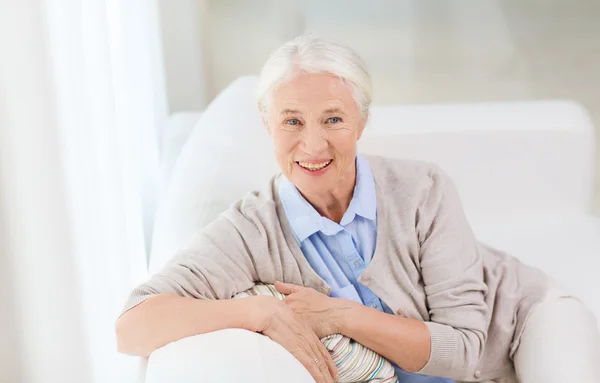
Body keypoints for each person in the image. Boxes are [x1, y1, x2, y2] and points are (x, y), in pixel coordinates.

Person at [115, 35, 600, 383]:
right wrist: (257, 312)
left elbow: (464, 350)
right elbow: (133, 325)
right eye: (291, 120)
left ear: (362, 121)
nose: (312, 143)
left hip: (522, 320)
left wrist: (338, 316)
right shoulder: (250, 230)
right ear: (266, 123)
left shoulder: (423, 189)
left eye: (333, 119)